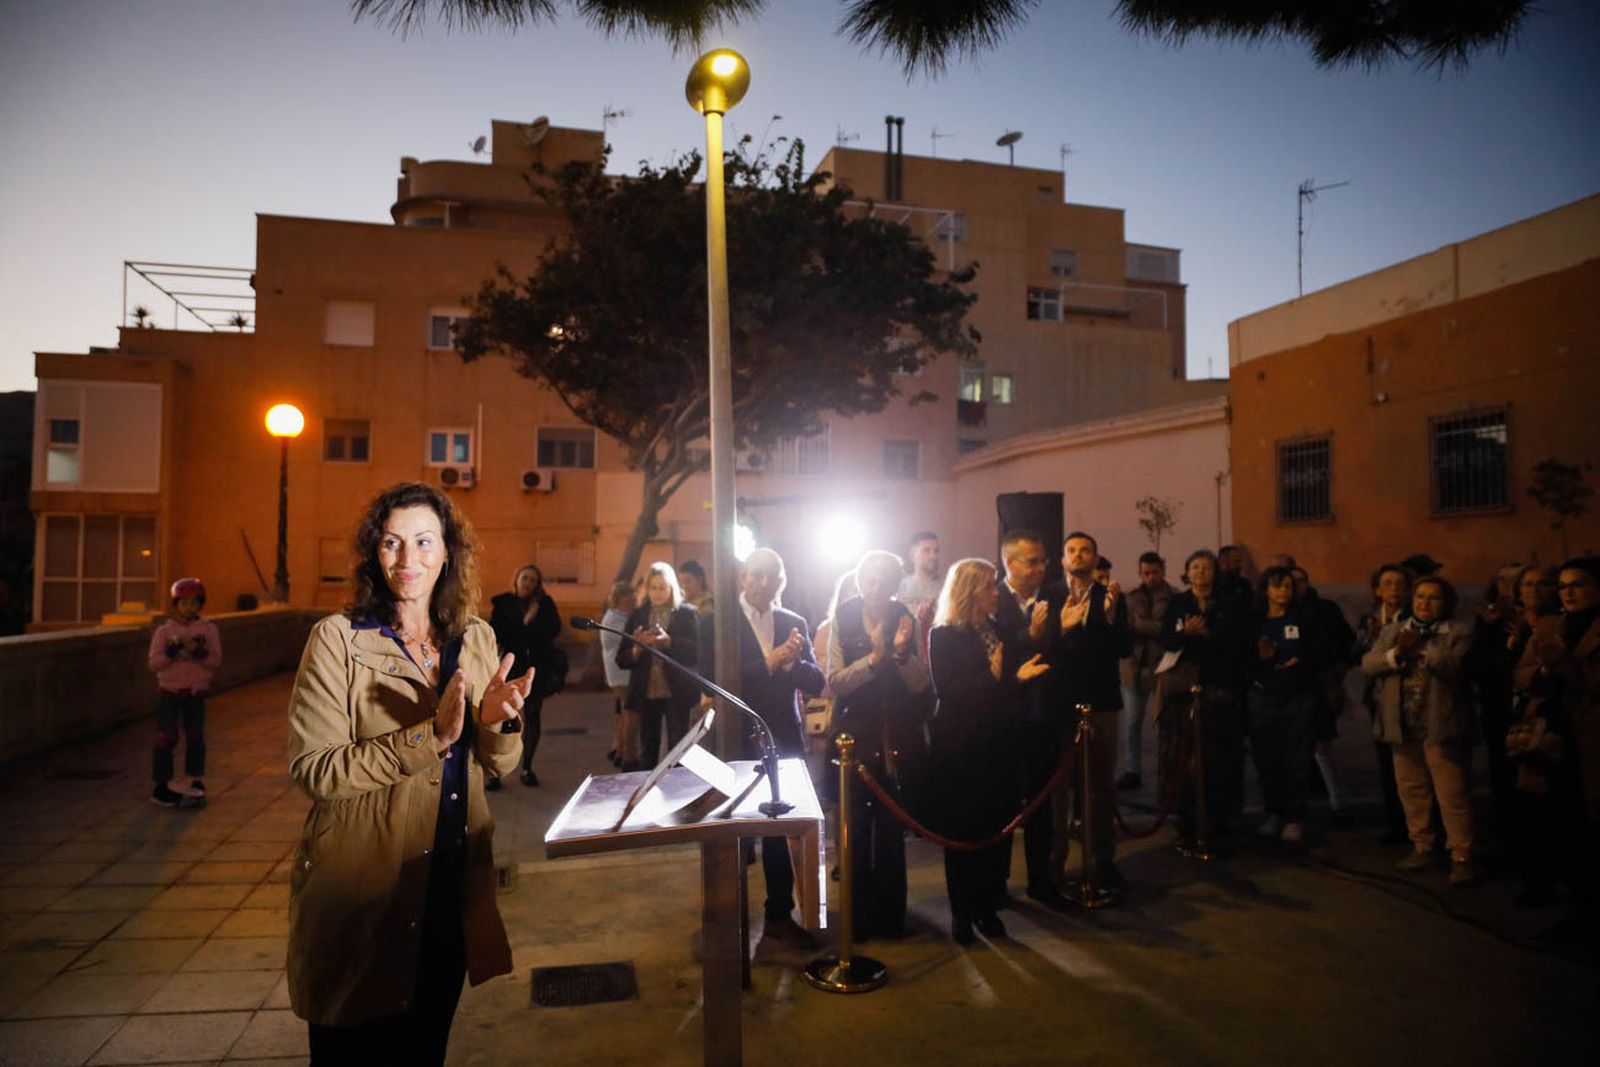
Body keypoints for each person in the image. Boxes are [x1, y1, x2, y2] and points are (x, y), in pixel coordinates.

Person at [286, 482, 531, 1064]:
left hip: (449, 887)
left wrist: (497, 724)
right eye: (392, 543)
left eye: (424, 542)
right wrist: (433, 736)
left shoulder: (475, 636)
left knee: (425, 1051)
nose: (408, 559)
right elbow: (315, 770)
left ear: (447, 551)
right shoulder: (339, 641)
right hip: (365, 893)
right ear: (375, 552)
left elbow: (499, 766)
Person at [697, 548, 825, 944]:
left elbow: (816, 681)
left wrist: (792, 665)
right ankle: (727, 918)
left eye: (772, 575)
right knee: (732, 832)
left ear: (781, 581)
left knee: (778, 828)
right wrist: (768, 664)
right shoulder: (715, 622)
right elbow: (710, 681)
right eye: (757, 575)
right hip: (734, 738)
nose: (764, 583)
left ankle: (779, 915)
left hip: (782, 737)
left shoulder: (793, 621)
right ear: (742, 578)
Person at [929, 558, 1051, 944]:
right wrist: (996, 676)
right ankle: (962, 912)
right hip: (962, 748)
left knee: (997, 828)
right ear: (969, 591)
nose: (996, 592)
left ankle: (988, 906)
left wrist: (1016, 677)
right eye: (989, 586)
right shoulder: (943, 635)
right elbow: (950, 692)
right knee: (964, 831)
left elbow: (1008, 687)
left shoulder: (998, 630)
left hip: (1001, 743)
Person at [828, 549, 932, 940]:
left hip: (894, 740)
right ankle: (855, 922)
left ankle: (891, 920)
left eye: (886, 582)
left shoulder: (905, 617)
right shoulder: (844, 616)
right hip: (852, 740)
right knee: (854, 833)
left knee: (891, 835)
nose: (877, 589)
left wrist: (902, 653)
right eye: (870, 580)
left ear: (896, 585)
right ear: (859, 581)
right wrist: (874, 658)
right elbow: (834, 681)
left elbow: (921, 683)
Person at [1361, 575, 1479, 887]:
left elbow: (1455, 667)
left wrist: (1422, 648)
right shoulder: (1394, 631)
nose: (1425, 604)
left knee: (1451, 793)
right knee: (1412, 789)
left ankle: (1461, 854)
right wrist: (1397, 653)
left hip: (1442, 724)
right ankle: (1422, 845)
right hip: (1404, 725)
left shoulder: (1458, 632)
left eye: (1433, 598)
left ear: (1446, 603)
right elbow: (1369, 664)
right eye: (1420, 597)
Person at [1509, 557, 1600, 938]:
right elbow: (1523, 672)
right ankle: (1578, 910)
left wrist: (1565, 667)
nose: (1568, 592)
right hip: (1552, 742)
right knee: (1567, 827)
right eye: (1563, 585)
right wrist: (1544, 671)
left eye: (1577, 584)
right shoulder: (1552, 626)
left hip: (1591, 739)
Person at [1044, 531, 1132, 893]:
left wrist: (1110, 618)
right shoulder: (1049, 596)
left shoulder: (1110, 596)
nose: (1079, 556)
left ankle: (1101, 861)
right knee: (1057, 791)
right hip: (1061, 704)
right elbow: (1043, 648)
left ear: (1096, 559)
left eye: (1086, 551)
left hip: (1101, 701)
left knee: (1100, 786)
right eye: (1072, 551)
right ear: (1063, 559)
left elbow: (1124, 647)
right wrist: (1061, 630)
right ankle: (1053, 866)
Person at [992, 529, 1067, 909]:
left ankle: (1042, 879)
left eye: (1043, 561)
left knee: (1041, 805)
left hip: (1045, 716)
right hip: (1005, 717)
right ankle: (997, 883)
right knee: (1003, 804)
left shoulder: (1056, 597)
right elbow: (994, 657)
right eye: (1032, 561)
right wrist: (1030, 635)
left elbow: (1063, 656)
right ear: (1010, 563)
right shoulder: (991, 600)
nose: (1041, 568)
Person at [1161, 548, 1251, 848]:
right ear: (1187, 572)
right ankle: (1186, 817)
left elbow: (1238, 640)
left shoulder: (1229, 602)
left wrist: (1208, 633)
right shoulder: (1178, 602)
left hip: (1220, 686)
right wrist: (1185, 632)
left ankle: (1219, 816)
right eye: (1195, 567)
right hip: (1185, 690)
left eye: (1207, 567)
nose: (1201, 573)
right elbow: (1167, 639)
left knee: (1219, 755)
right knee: (1185, 755)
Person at [1248, 566, 1326, 844]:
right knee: (1267, 759)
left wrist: (1300, 662)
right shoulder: (1254, 621)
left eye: (1288, 586)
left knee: (1297, 759)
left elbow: (1319, 653)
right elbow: (1242, 658)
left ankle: (1295, 817)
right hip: (1263, 696)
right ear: (1265, 590)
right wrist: (1260, 657)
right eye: (1277, 586)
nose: (1283, 591)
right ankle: (1274, 812)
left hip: (1297, 697)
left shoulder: (1304, 619)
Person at [616, 562, 701, 769]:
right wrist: (637, 650)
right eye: (653, 588)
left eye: (662, 587)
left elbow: (696, 651)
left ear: (671, 587)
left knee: (678, 748)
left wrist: (669, 642)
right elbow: (621, 658)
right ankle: (648, 794)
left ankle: (677, 795)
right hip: (647, 692)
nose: (657, 593)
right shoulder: (638, 615)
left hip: (676, 691)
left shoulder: (686, 613)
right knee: (648, 750)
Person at [147, 577, 221, 807]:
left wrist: (199, 653)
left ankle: (195, 778)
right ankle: (162, 784)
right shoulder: (164, 631)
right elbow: (154, 663)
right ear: (176, 604)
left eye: (194, 603)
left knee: (195, 736)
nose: (189, 608)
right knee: (167, 737)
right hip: (169, 691)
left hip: (195, 692)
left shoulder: (208, 629)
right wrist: (172, 651)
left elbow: (215, 661)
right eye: (184, 603)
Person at [1291, 566, 1357, 821]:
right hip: (1294, 685)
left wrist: (1340, 668)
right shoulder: (1282, 610)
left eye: (1300, 581)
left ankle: (1338, 801)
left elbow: (1345, 639)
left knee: (1322, 746)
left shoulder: (1325, 609)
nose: (1295, 586)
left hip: (1320, 683)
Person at [487, 563, 561, 788]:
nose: (528, 583)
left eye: (533, 580)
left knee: (532, 716)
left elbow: (553, 631)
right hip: (510, 668)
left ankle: (527, 767)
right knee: (506, 718)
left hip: (535, 669)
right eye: (525, 578)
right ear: (517, 580)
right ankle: (496, 772)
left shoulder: (545, 605)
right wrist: (525, 622)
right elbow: (496, 634)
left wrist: (535, 618)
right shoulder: (502, 603)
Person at [1355, 563, 1414, 844]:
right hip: (1377, 697)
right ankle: (1396, 823)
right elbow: (1358, 651)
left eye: (1399, 583)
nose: (1394, 589)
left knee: (1410, 764)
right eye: (1387, 583)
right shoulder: (1369, 617)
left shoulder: (1414, 617)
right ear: (1377, 590)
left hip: (1407, 697)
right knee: (1386, 763)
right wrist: (1371, 637)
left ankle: (1419, 826)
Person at [1121, 551, 1171, 791]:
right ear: (1140, 573)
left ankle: (1167, 770)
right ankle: (1132, 770)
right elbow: (1128, 627)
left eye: (1155, 572)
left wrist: (1143, 626)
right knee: (1131, 722)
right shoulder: (1131, 598)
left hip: (1163, 667)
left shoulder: (1174, 597)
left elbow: (1170, 629)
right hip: (1135, 667)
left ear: (1163, 570)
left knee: (1164, 722)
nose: (1151, 577)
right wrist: (1154, 628)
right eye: (1146, 573)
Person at [599, 580, 636, 769]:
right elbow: (628, 640)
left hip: (616, 672)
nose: (632, 605)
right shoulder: (616, 619)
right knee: (629, 712)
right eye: (629, 601)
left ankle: (619, 748)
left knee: (623, 711)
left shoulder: (614, 616)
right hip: (621, 673)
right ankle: (626, 752)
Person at [897, 531, 944, 631]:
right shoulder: (900, 586)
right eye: (926, 551)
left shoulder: (948, 588)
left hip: (937, 644)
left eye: (936, 551)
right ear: (912, 555)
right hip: (907, 644)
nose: (933, 556)